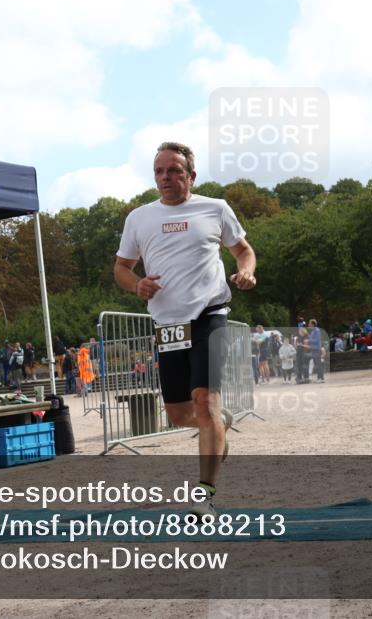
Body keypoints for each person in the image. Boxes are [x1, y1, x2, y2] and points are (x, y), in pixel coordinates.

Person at [113, 141, 256, 520]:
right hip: (168, 323)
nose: (166, 177)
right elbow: (122, 268)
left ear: (191, 175)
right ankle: (217, 428)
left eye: (174, 170)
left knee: (205, 402)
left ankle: (205, 495)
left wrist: (246, 271)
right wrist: (137, 284)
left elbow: (244, 250)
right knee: (178, 414)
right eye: (159, 171)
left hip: (210, 314)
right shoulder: (139, 218)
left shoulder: (215, 208)